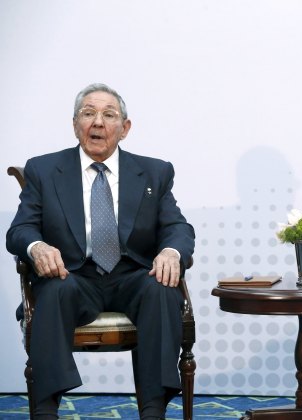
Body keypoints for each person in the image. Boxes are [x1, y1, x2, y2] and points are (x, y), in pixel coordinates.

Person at [6, 83, 195, 419]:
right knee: (53, 291)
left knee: (162, 290)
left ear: (125, 128)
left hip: (131, 276)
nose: (98, 122)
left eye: (109, 115)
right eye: (88, 113)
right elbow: (20, 230)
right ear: (75, 124)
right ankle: (46, 409)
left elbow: (178, 228)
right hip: (72, 275)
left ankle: (154, 411)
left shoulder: (154, 171)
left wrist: (171, 252)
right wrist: (37, 247)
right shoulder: (44, 170)